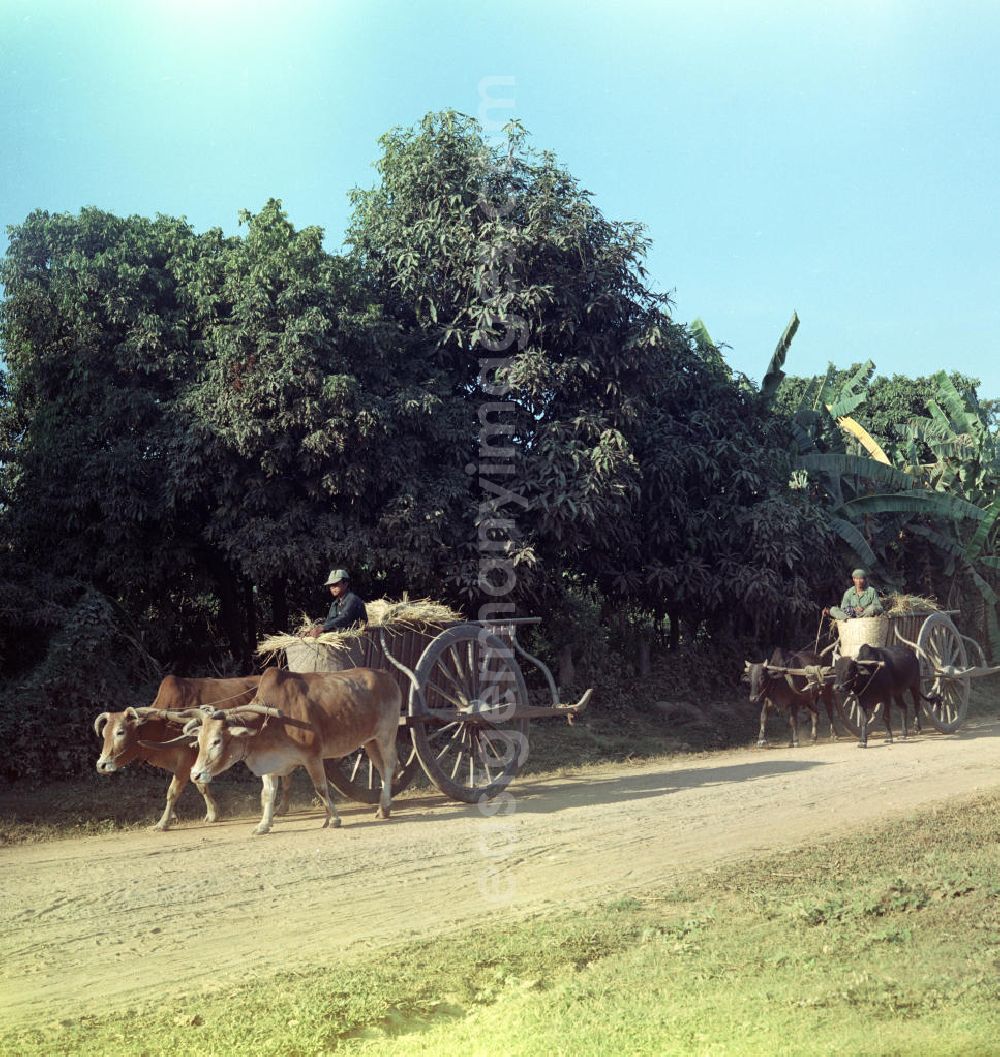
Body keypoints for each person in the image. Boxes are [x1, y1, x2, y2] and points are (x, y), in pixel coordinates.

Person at [305, 569, 367, 638]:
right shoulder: (335, 603)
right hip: (340, 635)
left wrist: (323, 628)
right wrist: (313, 629)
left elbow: (344, 618)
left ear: (345, 584)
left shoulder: (352, 599)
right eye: (330, 585)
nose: (332, 587)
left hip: (355, 637)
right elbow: (329, 622)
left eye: (336, 584)